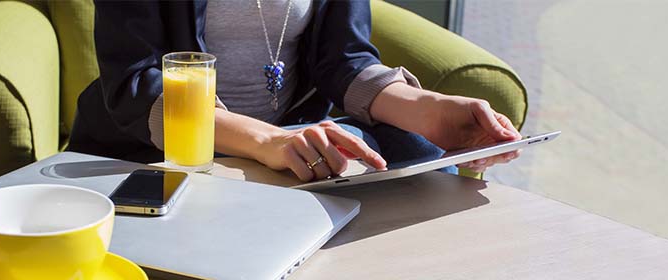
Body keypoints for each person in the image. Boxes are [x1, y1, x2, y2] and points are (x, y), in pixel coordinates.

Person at [68, 0, 521, 182]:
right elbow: (135, 83)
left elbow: (344, 59)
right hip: (160, 151)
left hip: (293, 142)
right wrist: (266, 140)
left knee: (423, 157)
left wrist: (429, 109)